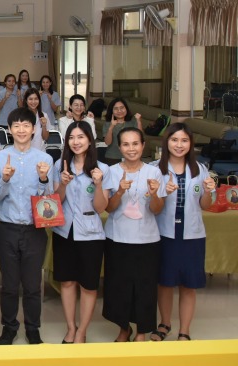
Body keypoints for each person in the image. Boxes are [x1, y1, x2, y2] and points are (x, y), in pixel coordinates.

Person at [0, 107, 54, 345]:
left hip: (35, 230)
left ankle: (33, 328)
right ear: (9, 130)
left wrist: (43, 179)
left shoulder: (45, 159)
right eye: (16, 126)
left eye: (26, 125)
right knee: (8, 284)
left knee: (32, 284)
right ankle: (9, 327)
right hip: (7, 227)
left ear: (34, 129)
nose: (21, 130)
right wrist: (5, 179)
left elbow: (50, 201)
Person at [151, 123, 216, 342]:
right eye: (174, 140)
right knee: (165, 282)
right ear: (166, 142)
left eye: (184, 141)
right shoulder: (155, 169)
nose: (179, 145)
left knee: (189, 284)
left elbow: (205, 205)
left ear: (190, 144)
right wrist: (162, 192)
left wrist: (208, 191)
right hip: (164, 233)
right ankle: (165, 324)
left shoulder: (200, 169)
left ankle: (184, 330)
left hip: (192, 235)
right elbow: (150, 204)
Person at [103, 127, 165, 342]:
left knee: (145, 288)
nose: (131, 149)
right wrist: (119, 191)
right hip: (117, 238)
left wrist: (155, 193)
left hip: (147, 240)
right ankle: (123, 328)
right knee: (118, 287)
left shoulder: (154, 172)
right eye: (126, 144)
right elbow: (108, 208)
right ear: (119, 147)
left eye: (135, 144)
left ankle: (141, 331)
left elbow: (157, 209)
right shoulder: (111, 171)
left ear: (143, 145)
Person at [52, 121, 110, 344]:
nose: (76, 142)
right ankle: (70, 327)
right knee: (67, 282)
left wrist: (98, 184)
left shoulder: (102, 169)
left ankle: (82, 331)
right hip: (64, 231)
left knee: (88, 284)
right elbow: (55, 203)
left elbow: (100, 207)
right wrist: (63, 185)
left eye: (81, 137)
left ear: (89, 140)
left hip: (91, 234)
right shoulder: (60, 165)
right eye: (72, 137)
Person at [103, 98, 143, 165]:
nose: (119, 111)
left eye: (122, 108)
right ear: (112, 111)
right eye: (116, 109)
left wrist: (138, 121)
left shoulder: (133, 122)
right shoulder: (108, 124)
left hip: (131, 155)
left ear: (126, 109)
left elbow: (140, 137)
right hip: (113, 157)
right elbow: (107, 143)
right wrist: (111, 127)